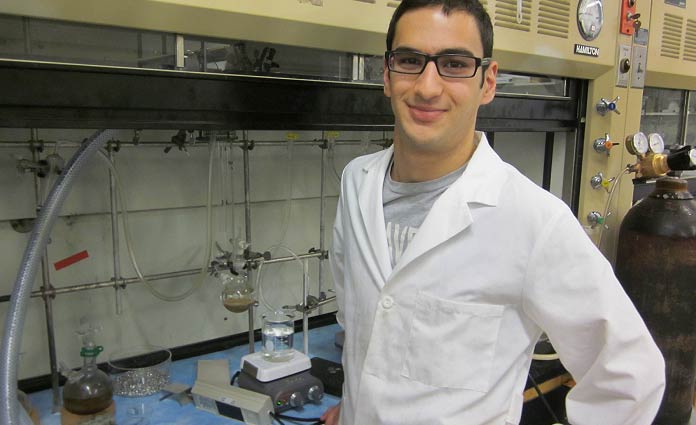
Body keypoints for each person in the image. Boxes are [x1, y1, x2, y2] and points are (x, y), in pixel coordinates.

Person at [321, 0, 666, 424]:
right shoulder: (357, 183)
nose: (427, 87)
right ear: (387, 75)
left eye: (454, 64)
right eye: (410, 61)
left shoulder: (534, 221)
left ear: (487, 82)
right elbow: (361, 319)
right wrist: (357, 402)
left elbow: (631, 376)